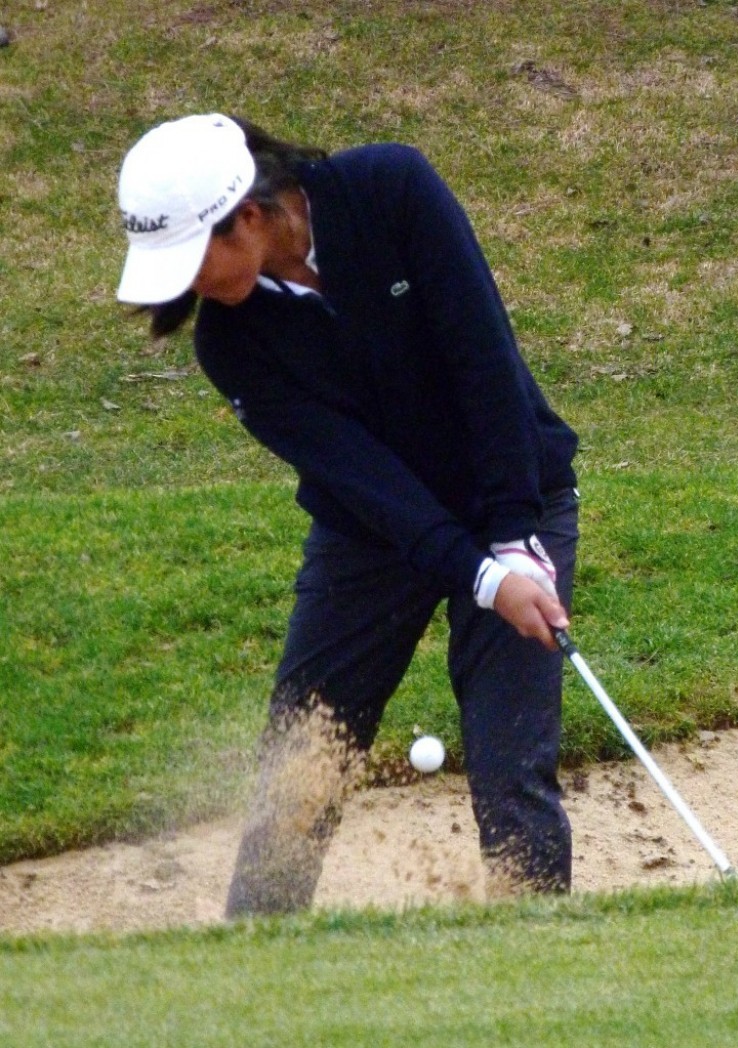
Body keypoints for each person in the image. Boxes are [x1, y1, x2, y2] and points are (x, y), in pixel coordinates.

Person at [116, 113, 580, 916]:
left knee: (513, 770)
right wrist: (479, 575)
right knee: (300, 766)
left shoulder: (391, 190)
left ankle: (541, 961)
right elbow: (362, 480)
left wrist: (512, 534)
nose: (188, 285)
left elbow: (485, 360)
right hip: (370, 539)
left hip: (514, 496)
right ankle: (257, 969)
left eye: (192, 258)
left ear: (251, 217)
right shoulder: (230, 345)